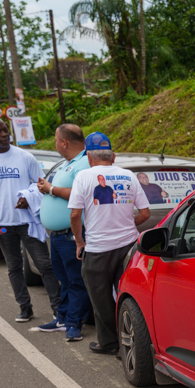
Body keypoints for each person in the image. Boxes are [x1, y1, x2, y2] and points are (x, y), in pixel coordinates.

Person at [67, 131, 151, 355]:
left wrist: (79, 242)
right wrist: (127, 223)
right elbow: (145, 213)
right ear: (112, 156)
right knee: (128, 294)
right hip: (128, 247)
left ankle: (110, 344)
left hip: (98, 250)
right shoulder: (129, 176)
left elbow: (75, 215)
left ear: (89, 158)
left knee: (100, 298)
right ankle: (132, 340)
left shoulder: (84, 177)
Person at [0, 116, 62, 323]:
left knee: (44, 265)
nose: (4, 134)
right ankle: (25, 307)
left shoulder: (25, 157)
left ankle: (58, 309)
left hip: (28, 222)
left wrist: (28, 198)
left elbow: (41, 184)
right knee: (14, 267)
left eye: (5, 129)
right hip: (2, 225)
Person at [36, 124, 92, 342]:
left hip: (72, 234)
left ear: (64, 142)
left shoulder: (84, 162)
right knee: (65, 278)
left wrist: (50, 189)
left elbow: (81, 193)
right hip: (59, 235)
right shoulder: (68, 164)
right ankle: (64, 317)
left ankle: (73, 324)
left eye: (56, 139)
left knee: (76, 279)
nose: (55, 143)